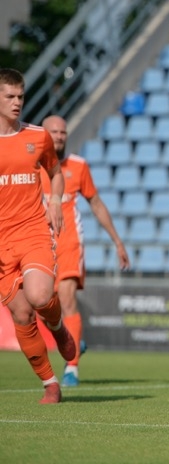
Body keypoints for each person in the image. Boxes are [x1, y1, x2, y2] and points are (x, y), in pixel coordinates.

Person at [0, 68, 77, 403]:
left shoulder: (38, 137)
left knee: (40, 295)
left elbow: (56, 174)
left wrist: (56, 199)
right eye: (10, 97)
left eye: (21, 96)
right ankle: (50, 383)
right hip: (2, 243)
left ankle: (58, 329)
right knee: (20, 314)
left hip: (33, 231)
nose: (17, 103)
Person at [40, 115, 131, 387]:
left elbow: (97, 204)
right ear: (42, 135)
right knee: (40, 304)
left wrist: (117, 241)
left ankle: (72, 367)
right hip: (39, 244)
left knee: (67, 297)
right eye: (53, 131)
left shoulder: (78, 166)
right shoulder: (30, 167)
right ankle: (72, 339)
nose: (59, 136)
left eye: (63, 132)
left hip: (69, 242)